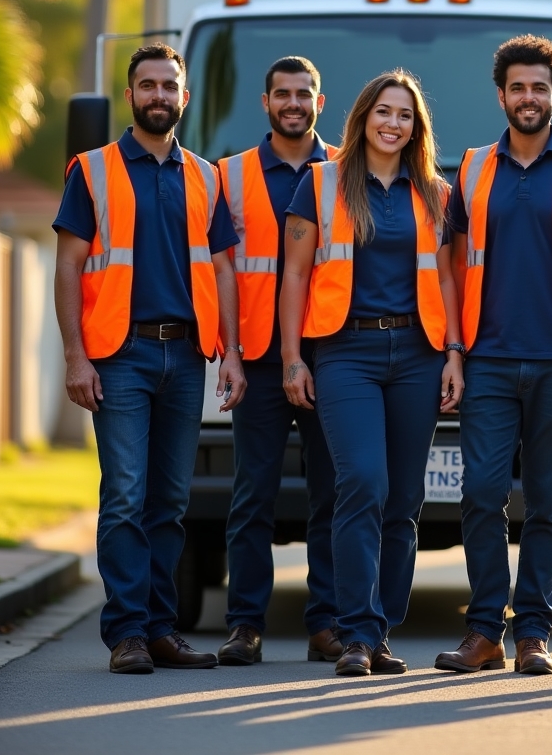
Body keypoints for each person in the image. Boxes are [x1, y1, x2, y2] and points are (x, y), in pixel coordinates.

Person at [53, 43, 247, 674]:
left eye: (170, 86)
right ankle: (128, 633)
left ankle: (162, 628)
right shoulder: (94, 169)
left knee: (170, 499)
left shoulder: (205, 175)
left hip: (187, 356)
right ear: (131, 93)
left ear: (183, 97)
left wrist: (233, 355)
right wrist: (76, 358)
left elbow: (222, 270)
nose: (159, 95)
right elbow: (69, 266)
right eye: (148, 85)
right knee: (126, 496)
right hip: (120, 355)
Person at [435, 35, 552, 676]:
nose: (528, 98)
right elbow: (453, 267)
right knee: (482, 494)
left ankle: (534, 633)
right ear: (501, 95)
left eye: (539, 87)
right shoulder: (471, 168)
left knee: (548, 503)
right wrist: (455, 351)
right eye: (517, 87)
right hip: (486, 359)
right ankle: (485, 630)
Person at [280, 70, 464, 677]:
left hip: (417, 355)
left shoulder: (437, 193)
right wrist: (291, 358)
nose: (393, 123)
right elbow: (297, 277)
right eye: (384, 112)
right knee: (361, 483)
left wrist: (454, 354)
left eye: (405, 115)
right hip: (346, 354)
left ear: (417, 127)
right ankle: (354, 632)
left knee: (404, 501)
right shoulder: (321, 183)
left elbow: (447, 280)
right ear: (362, 118)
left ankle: (379, 631)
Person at [215, 56, 342, 666]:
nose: (294, 103)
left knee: (333, 497)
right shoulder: (229, 176)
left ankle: (327, 625)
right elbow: (219, 275)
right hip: (259, 361)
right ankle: (245, 626)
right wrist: (230, 353)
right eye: (282, 94)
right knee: (252, 498)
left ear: (320, 102)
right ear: (266, 103)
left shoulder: (348, 169)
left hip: (335, 356)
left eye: (304, 94)